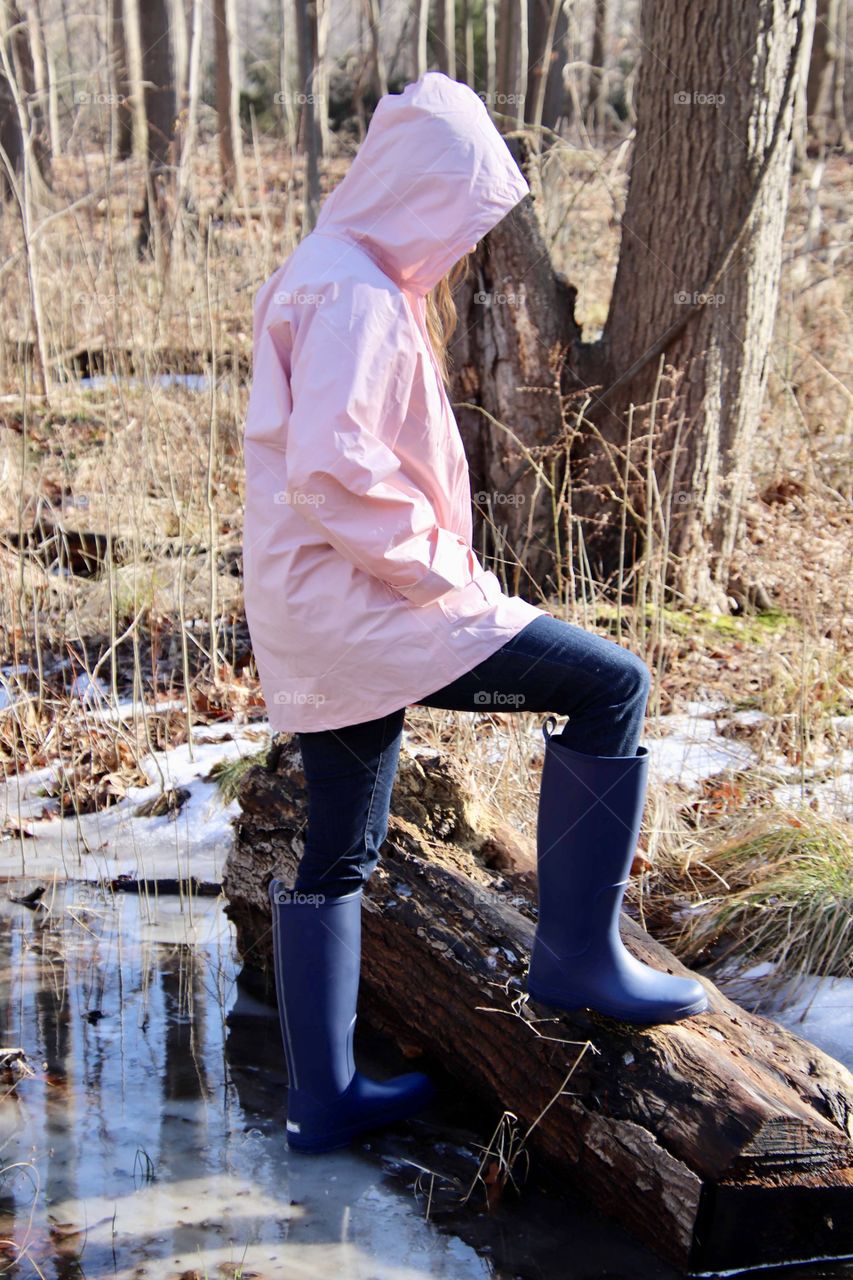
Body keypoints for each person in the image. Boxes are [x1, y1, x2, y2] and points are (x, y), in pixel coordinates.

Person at [243, 71, 709, 1155]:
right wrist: (439, 580)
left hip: (323, 613)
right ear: (415, 193)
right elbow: (333, 467)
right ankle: (577, 959)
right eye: (455, 217)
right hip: (375, 607)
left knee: (340, 846)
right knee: (610, 684)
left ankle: (324, 1097)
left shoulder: (327, 272)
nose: (458, 245)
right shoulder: (354, 293)